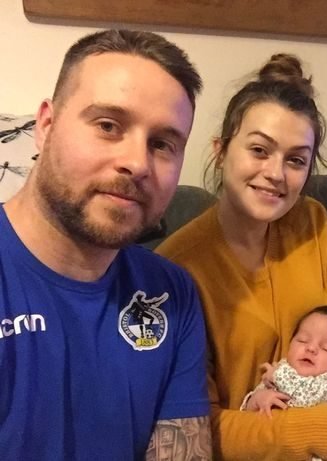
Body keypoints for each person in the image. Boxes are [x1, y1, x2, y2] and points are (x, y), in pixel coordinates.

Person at [156, 53, 327, 460]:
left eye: (296, 160)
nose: (276, 173)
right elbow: (192, 425)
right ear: (221, 150)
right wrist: (317, 432)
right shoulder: (175, 268)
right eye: (260, 150)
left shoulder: (312, 221)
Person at [0, 29, 211, 460]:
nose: (136, 163)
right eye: (108, 126)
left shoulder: (172, 294)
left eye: (162, 144)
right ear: (46, 125)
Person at [242, 305, 327, 417]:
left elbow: (307, 398)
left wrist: (279, 376)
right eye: (302, 340)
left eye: (326, 348)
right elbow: (243, 411)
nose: (311, 348)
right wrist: (257, 399)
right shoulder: (281, 367)